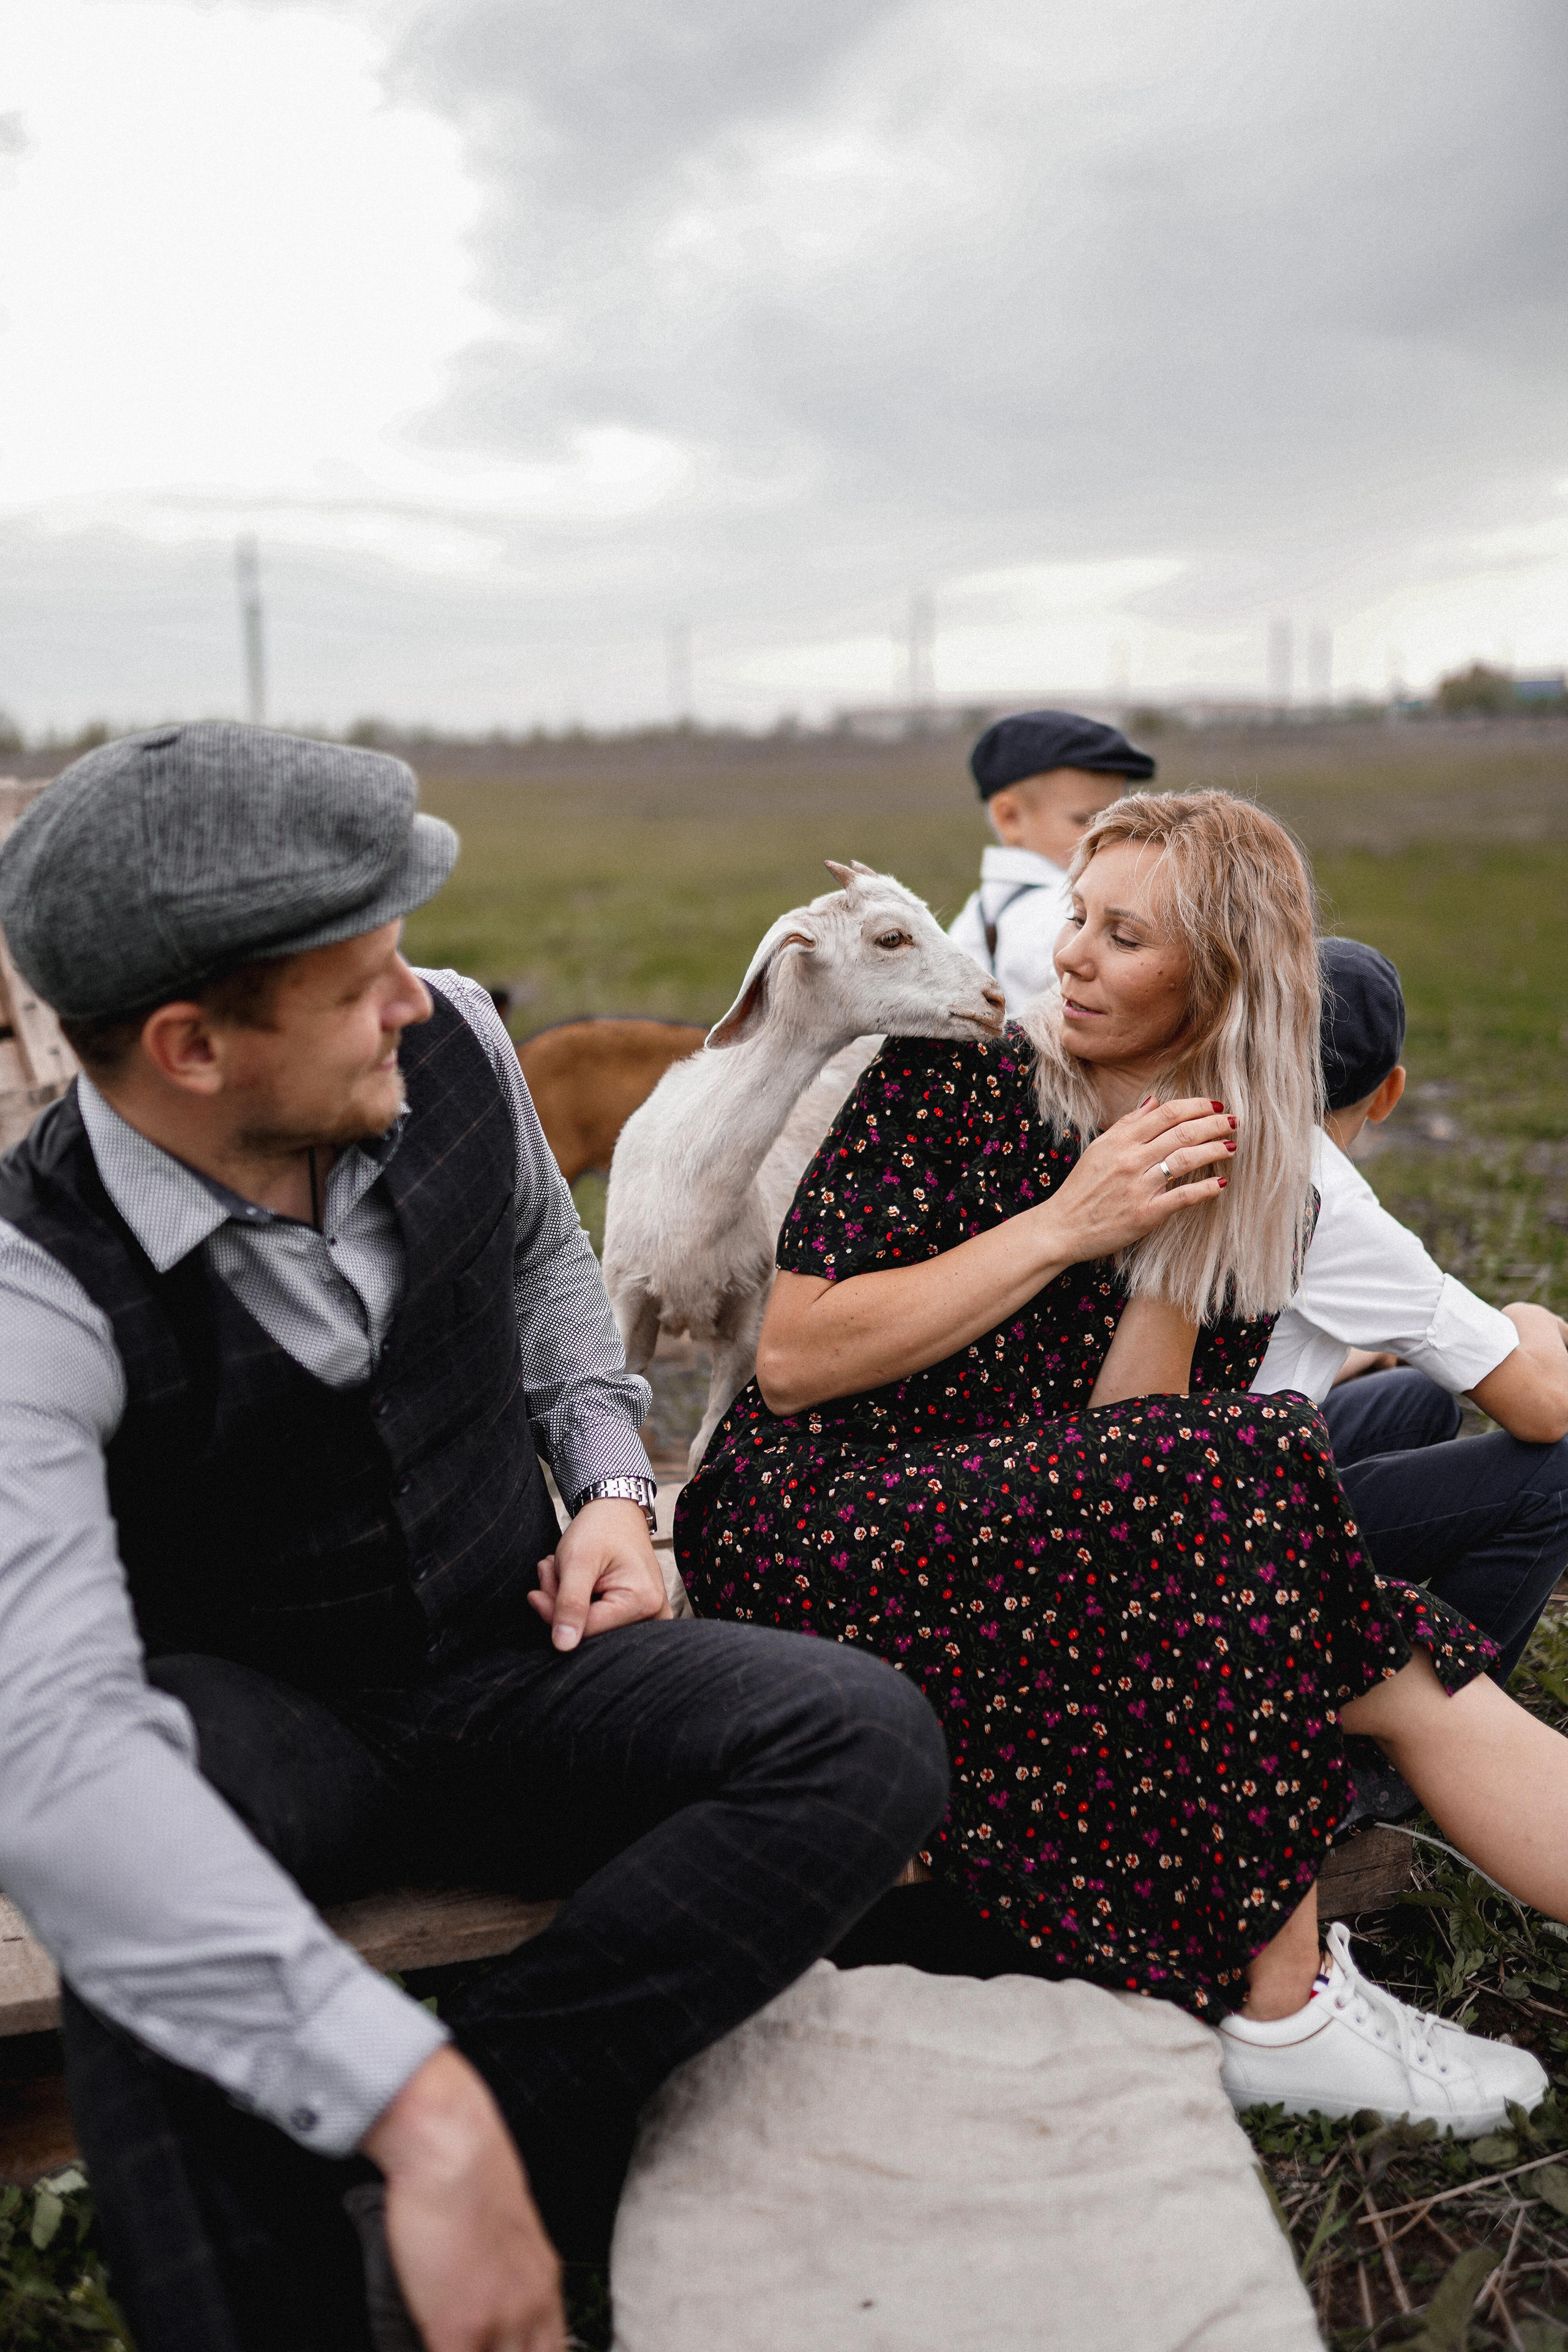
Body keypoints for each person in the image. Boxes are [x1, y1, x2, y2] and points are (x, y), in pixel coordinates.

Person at [0, 725, 949, 2352]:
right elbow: (57, 1747)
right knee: (136, 1917)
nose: (417, 999)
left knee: (860, 1739)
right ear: (191, 1046)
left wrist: (610, 1489)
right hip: (264, 1722)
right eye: (359, 978)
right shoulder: (31, 1284)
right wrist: (405, 2100)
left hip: (521, 1653)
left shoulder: (452, 1043)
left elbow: (538, 1268)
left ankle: (498, 2124)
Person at [677, 787, 1568, 2135]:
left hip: (1016, 1539)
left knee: (1383, 1647)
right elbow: (796, 1360)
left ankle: (1294, 2012)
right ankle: (1282, 2006)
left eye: (1123, 936)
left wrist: (1163, 1256)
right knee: (1261, 1467)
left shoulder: (1240, 1155)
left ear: (1221, 979)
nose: (1071, 956)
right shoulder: (953, 1074)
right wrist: (1064, 1225)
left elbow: (1129, 1452)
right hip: (814, 1522)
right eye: (1078, 917)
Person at [1253, 935, 1568, 1820]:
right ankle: (1408, 1750)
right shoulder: (1328, 1197)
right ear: (1388, 1092)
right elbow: (1542, 1409)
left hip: (1171, 1469)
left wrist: (1354, 1352)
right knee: (1557, 1472)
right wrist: (1531, 1320)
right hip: (1228, 1537)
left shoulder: (1206, 1119)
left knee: (1418, 1395)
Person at [948, 709, 1156, 1013]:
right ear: (1010, 817)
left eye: (1118, 822)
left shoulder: (974, 912)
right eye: (1087, 820)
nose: (1108, 836)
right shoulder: (1065, 912)